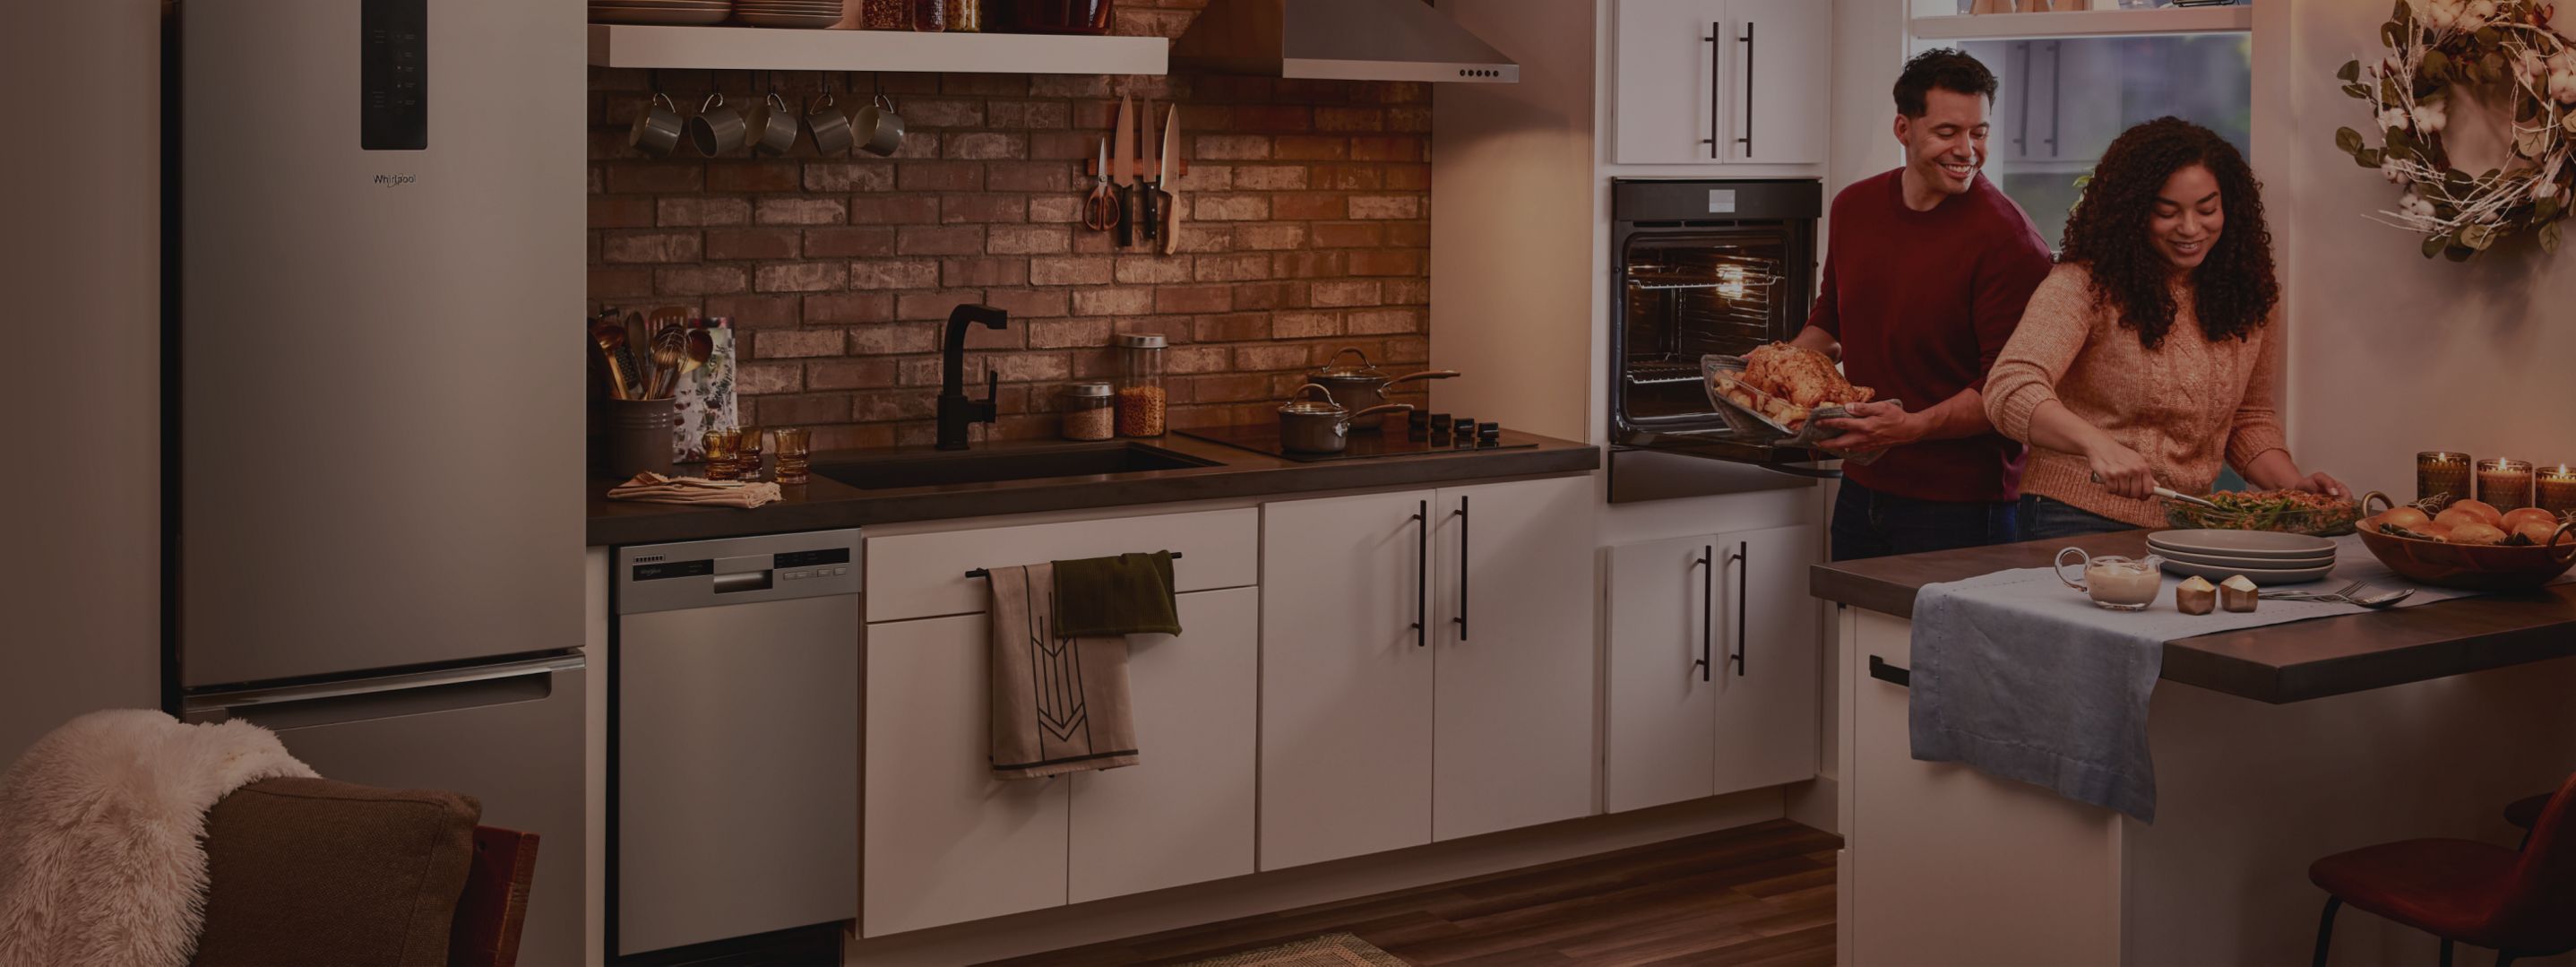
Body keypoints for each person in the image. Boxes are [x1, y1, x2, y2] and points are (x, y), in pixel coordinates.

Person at [1984, 117, 2347, 541]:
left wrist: (2292, 486)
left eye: (2207, 209)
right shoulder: (2083, 285)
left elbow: (2249, 418)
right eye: (2167, 212)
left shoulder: (2249, 294)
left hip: (2190, 525)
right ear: (2133, 212)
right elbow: (2011, 387)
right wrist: (2098, 446)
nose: (2191, 229)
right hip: (2075, 514)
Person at [1796, 48, 2056, 562]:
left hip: (1963, 506)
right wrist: (1769, 371)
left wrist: (1910, 427)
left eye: (1979, 132)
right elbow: (1831, 317)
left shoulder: (2011, 242)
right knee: (1858, 638)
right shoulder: (1855, 207)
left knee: (1944, 645)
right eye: (1947, 132)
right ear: (1903, 128)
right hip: (1863, 483)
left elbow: (2007, 389)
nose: (1968, 150)